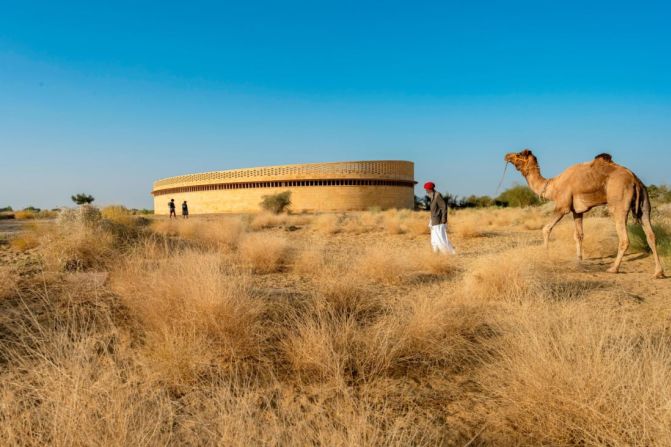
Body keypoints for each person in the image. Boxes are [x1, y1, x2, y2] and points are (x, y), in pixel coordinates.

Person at [424, 182, 456, 254]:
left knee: (441, 239)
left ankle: (450, 253)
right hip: (434, 220)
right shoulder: (432, 195)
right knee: (434, 239)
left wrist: (444, 219)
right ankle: (435, 254)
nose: (426, 191)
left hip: (439, 221)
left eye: (426, 189)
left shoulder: (437, 195)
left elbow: (444, 207)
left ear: (430, 189)